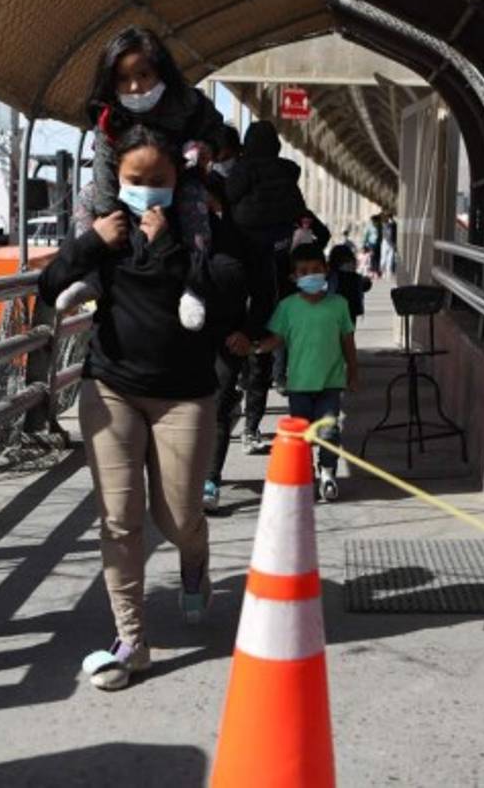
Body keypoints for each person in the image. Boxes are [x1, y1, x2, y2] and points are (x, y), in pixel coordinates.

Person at [38, 125, 244, 691]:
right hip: (111, 386)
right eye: (136, 180)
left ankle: (194, 557)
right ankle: (131, 640)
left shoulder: (199, 223)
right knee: (120, 520)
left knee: (176, 518)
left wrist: (172, 247)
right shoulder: (106, 228)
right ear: (117, 180)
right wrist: (91, 244)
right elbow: (47, 285)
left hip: (185, 391)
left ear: (178, 179)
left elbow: (231, 285)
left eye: (158, 181)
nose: (147, 191)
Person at [60, 26, 226, 330]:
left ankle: (193, 286)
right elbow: (103, 168)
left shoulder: (189, 103)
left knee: (193, 201)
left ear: (160, 71)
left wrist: (207, 147)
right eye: (123, 79)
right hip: (127, 187)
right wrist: (108, 219)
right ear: (111, 82)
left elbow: (216, 129)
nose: (135, 86)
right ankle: (91, 277)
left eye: (144, 75)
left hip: (177, 181)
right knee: (87, 197)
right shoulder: (109, 119)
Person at [203, 128, 275, 512]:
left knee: (218, 405)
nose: (205, 212)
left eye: (212, 205)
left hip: (228, 335)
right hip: (179, 337)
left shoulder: (246, 236)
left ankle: (209, 480)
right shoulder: (175, 233)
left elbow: (265, 292)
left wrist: (249, 333)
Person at [226, 120, 310, 452]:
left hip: (241, 259)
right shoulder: (288, 174)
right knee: (265, 334)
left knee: (237, 337)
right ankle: (253, 423)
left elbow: (230, 197)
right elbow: (300, 211)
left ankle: (234, 399)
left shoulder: (242, 170)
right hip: (278, 262)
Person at [257, 242, 359, 501]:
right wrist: (254, 348)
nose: (310, 274)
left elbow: (348, 340)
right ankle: (305, 476)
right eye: (303, 271)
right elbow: (276, 339)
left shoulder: (339, 305)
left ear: (326, 270)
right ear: (294, 277)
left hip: (330, 383)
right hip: (299, 385)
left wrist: (353, 372)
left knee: (329, 433)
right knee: (301, 437)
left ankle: (327, 474)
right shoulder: (288, 307)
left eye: (316, 269)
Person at [327, 242, 371, 326]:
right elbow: (366, 285)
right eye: (346, 262)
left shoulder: (332, 276)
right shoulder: (351, 277)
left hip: (343, 311)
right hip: (349, 311)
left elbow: (366, 285)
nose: (350, 265)